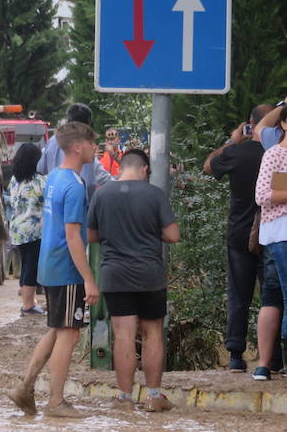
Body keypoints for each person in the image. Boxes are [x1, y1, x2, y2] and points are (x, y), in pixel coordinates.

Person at [9, 122, 99, 418]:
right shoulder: (73, 184)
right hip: (67, 268)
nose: (95, 149)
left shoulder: (54, 178)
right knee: (69, 334)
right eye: (92, 143)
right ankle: (56, 402)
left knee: (56, 328)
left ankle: (25, 387)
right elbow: (73, 236)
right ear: (77, 147)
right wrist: (89, 279)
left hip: (50, 264)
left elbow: (50, 225)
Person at [88, 150, 180, 412]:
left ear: (120, 167)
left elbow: (92, 236)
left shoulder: (102, 194)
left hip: (114, 275)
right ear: (145, 170)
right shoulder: (154, 195)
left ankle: (124, 398)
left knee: (124, 336)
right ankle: (153, 396)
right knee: (152, 334)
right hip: (149, 275)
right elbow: (173, 235)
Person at [204, 105, 284, 376]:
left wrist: (231, 141)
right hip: (271, 231)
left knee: (239, 293)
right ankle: (274, 358)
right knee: (274, 294)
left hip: (240, 232)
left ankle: (236, 354)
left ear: (250, 124)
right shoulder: (274, 151)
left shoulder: (236, 152)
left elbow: (208, 166)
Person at [255, 106, 287, 377]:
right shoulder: (274, 154)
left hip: (277, 235)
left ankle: (267, 364)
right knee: (274, 296)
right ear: (284, 124)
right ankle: (265, 363)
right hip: (279, 233)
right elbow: (262, 195)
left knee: (274, 295)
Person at [37, 103, 112, 202]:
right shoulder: (83, 144)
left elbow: (41, 169)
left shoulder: (52, 141)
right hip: (78, 202)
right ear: (87, 124)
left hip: (53, 201)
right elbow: (89, 182)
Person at [8, 143, 46, 315]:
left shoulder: (14, 180)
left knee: (25, 264)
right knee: (32, 265)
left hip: (17, 228)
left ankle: (27, 301)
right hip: (34, 230)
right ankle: (28, 305)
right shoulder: (41, 181)